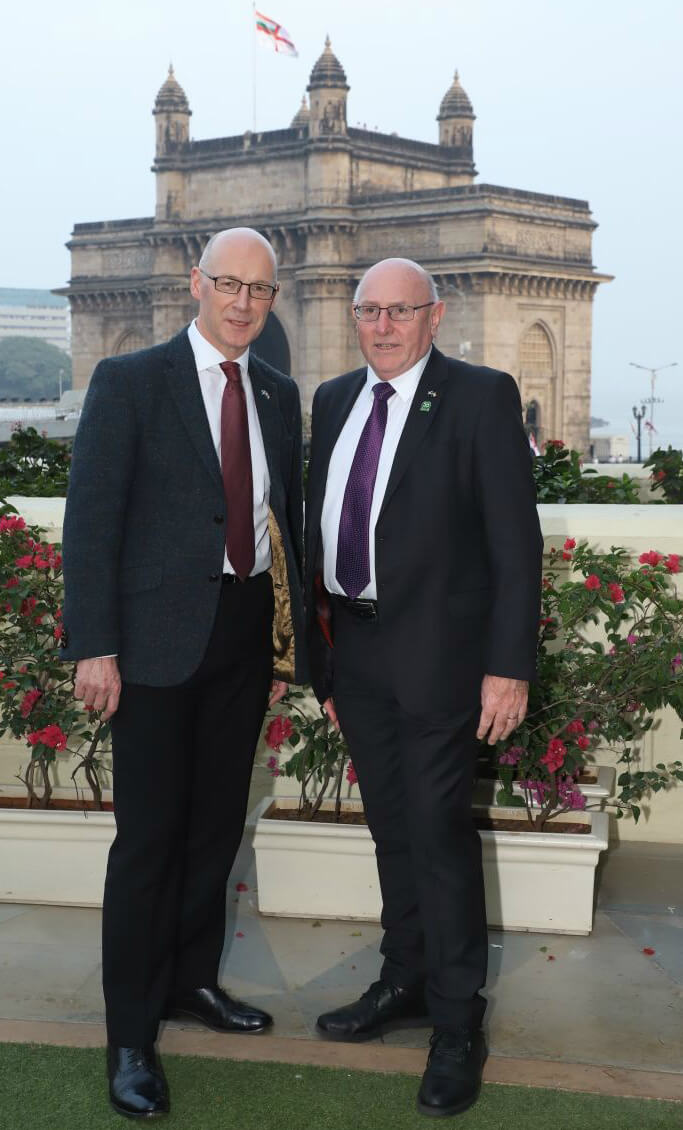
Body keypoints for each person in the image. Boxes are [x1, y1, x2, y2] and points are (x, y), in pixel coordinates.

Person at [61, 228, 306, 1120]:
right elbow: (90, 523)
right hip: (154, 649)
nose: (243, 303)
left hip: (241, 641)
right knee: (148, 842)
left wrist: (285, 650)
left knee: (213, 833)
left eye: (260, 292)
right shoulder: (130, 382)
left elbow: (290, 528)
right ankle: (130, 1032)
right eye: (228, 285)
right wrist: (96, 645)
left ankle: (192, 983)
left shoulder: (277, 393)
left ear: (272, 301)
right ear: (195, 283)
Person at [305, 257, 542, 1118]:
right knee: (391, 832)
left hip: (444, 662)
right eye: (368, 309)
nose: (382, 326)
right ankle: (401, 983)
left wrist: (507, 666)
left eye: (399, 310)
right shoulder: (333, 400)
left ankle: (455, 1025)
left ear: (433, 315)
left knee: (437, 839)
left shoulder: (478, 397)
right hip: (356, 655)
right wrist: (319, 662)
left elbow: (517, 548)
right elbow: (314, 534)